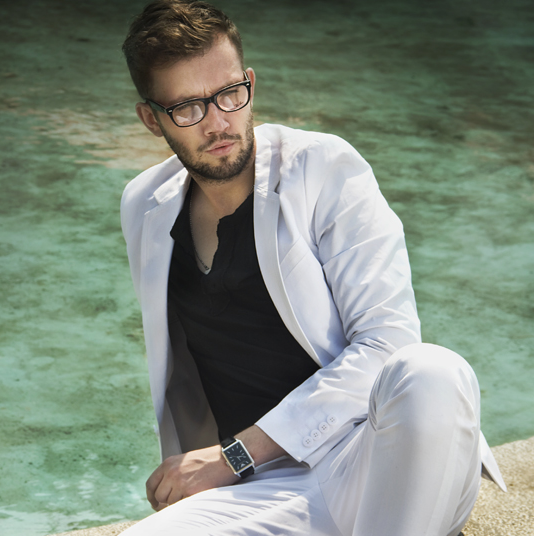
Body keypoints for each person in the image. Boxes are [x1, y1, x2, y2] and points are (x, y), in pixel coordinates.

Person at [118, 1, 506, 535]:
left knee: (431, 371)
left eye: (229, 93)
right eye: (187, 107)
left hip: (377, 458)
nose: (218, 122)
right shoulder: (144, 204)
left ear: (250, 83)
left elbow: (387, 343)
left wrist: (235, 454)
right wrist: (226, 467)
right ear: (151, 119)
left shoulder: (324, 168)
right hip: (267, 489)